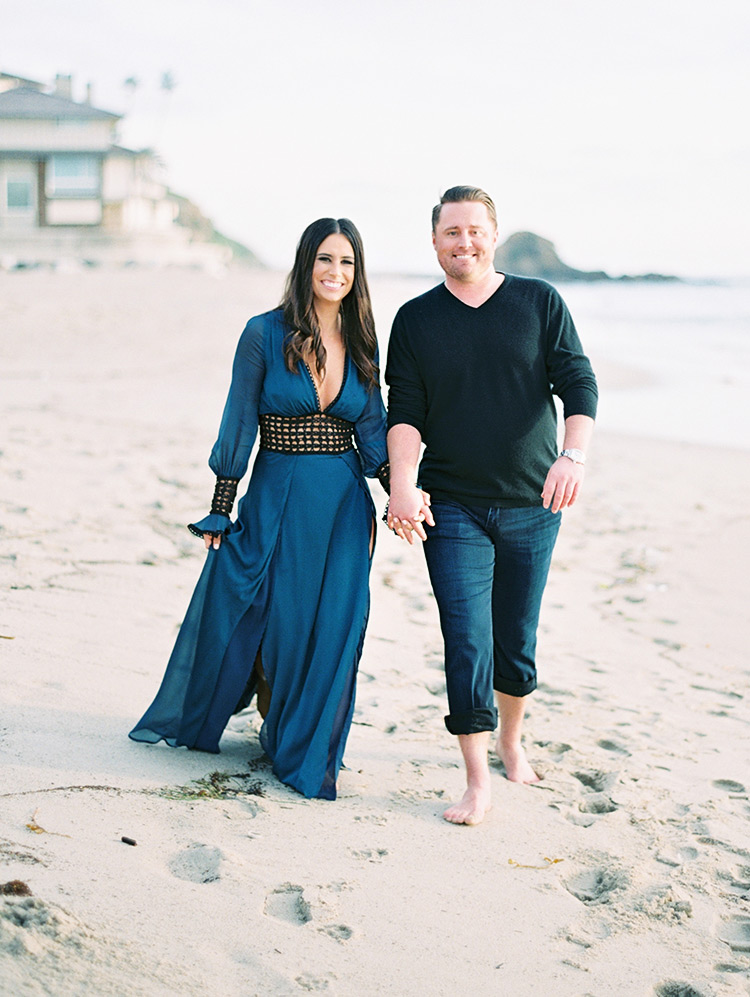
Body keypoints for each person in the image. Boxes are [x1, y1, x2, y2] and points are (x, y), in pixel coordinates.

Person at [129, 217, 390, 800]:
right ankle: (246, 716)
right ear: (305, 264)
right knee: (257, 604)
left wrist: (402, 490)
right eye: (325, 259)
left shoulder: (364, 339)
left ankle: (302, 744)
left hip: (344, 504)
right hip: (276, 492)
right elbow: (239, 420)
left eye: (347, 263)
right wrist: (222, 504)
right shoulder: (263, 333)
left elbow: (373, 435)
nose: (336, 273)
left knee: (331, 626)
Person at [385, 186, 598, 825]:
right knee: (466, 640)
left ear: (493, 233)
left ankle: (511, 739)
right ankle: (476, 779)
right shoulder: (416, 319)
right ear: (434, 240)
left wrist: (573, 455)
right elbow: (406, 414)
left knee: (516, 637)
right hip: (453, 508)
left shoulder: (538, 302)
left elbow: (578, 380)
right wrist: (400, 484)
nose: (464, 242)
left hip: (535, 503)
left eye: (474, 230)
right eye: (451, 232)